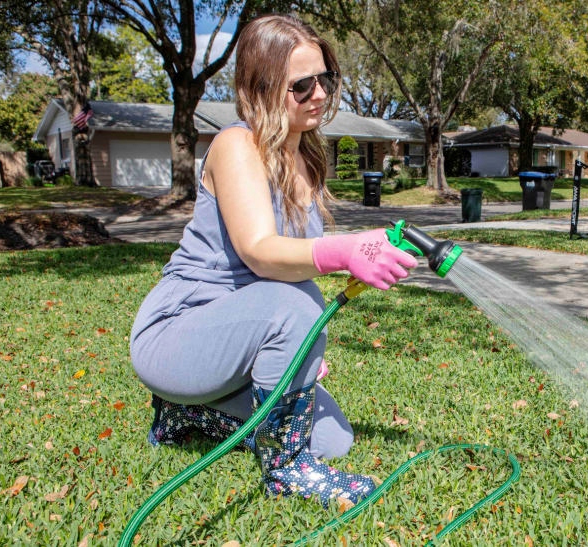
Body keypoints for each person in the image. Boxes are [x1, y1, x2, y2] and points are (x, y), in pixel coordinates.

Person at [129, 14, 418, 508]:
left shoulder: (305, 156)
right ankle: (284, 471)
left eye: (325, 78)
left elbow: (293, 270)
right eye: (301, 85)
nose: (320, 94)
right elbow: (260, 253)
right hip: (176, 334)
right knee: (291, 312)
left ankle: (193, 413)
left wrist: (301, 347)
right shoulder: (235, 145)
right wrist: (344, 253)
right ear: (260, 87)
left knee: (333, 441)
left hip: (233, 340)